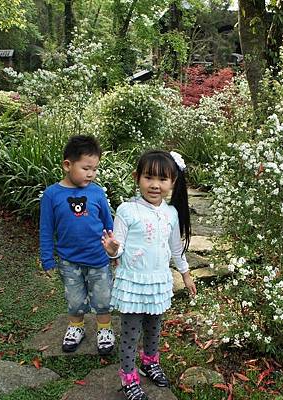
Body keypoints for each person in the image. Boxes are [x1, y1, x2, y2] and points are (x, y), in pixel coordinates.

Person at [101, 150, 197, 400]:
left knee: (154, 328)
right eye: (149, 177)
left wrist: (185, 274)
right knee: (131, 333)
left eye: (162, 179)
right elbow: (117, 245)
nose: (155, 185)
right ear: (137, 177)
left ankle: (150, 362)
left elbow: (175, 248)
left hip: (158, 282)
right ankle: (128, 375)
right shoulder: (127, 210)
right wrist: (113, 250)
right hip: (133, 283)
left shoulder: (171, 213)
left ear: (172, 182)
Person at [39, 135, 115, 355]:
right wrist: (47, 258)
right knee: (74, 299)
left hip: (98, 259)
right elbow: (46, 229)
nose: (91, 174)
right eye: (86, 168)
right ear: (67, 165)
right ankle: (76, 327)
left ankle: (105, 329)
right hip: (68, 260)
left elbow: (109, 225)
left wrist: (114, 250)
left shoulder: (96, 192)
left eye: (95, 169)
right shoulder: (52, 195)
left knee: (103, 298)